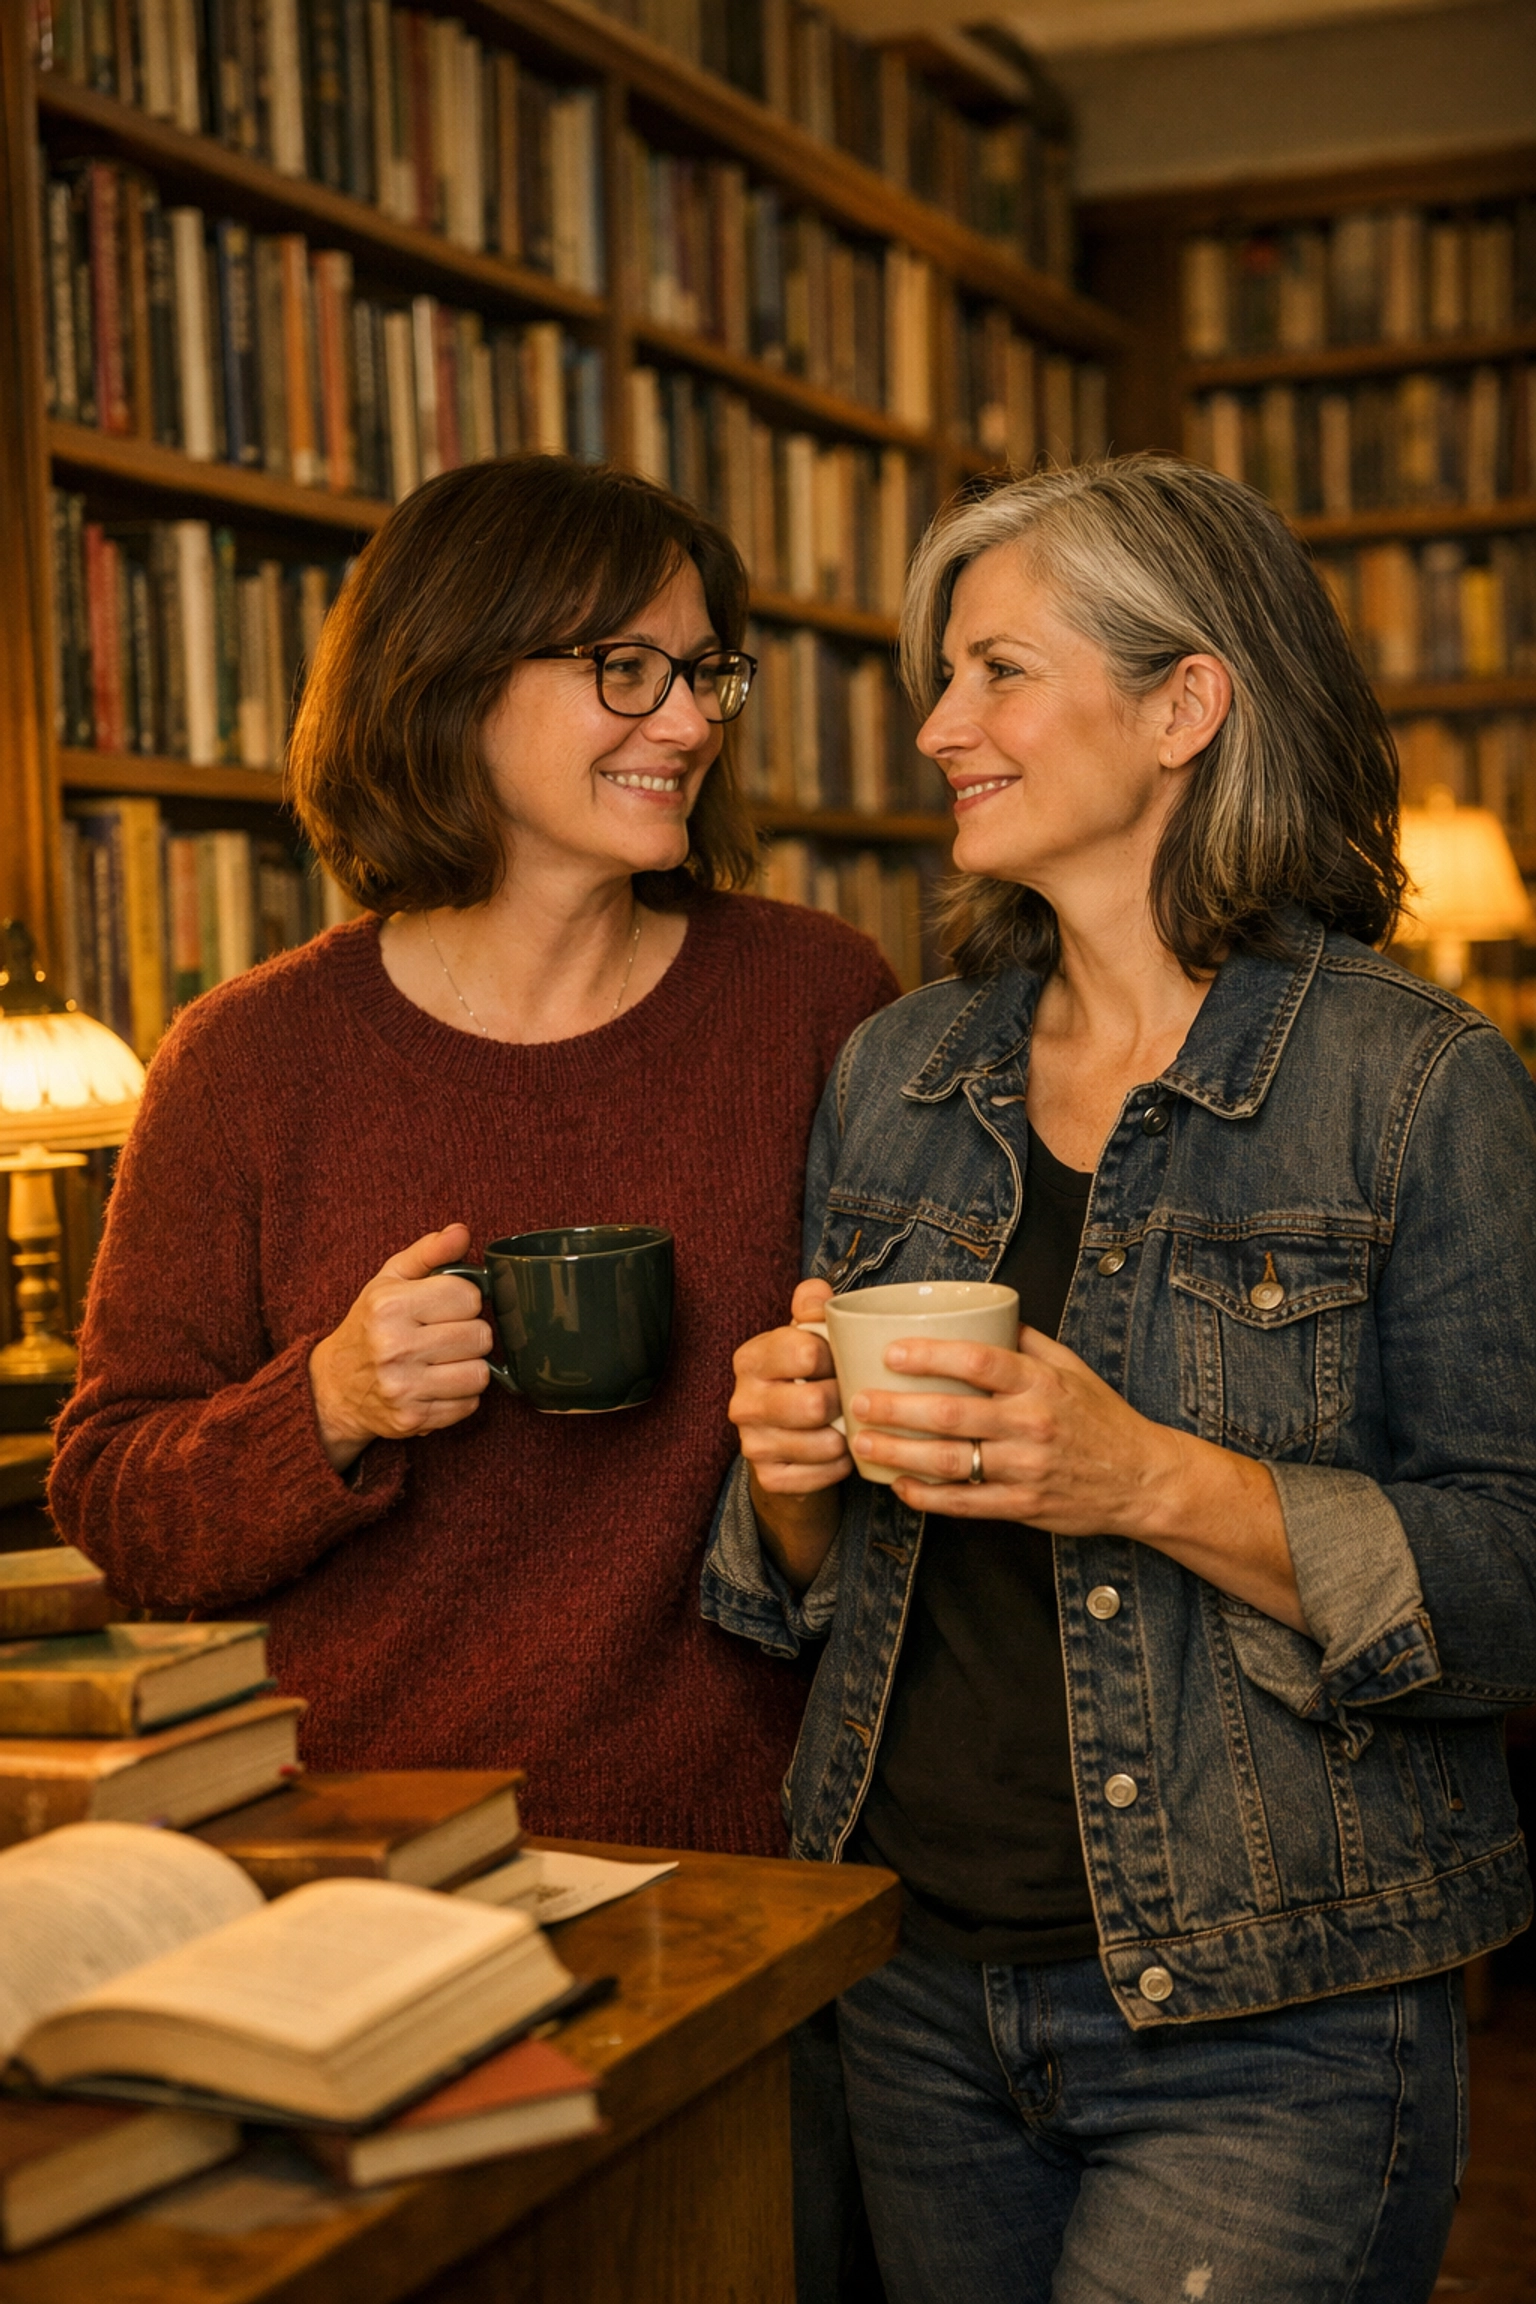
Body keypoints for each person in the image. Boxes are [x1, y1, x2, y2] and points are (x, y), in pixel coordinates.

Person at [707, 455, 1536, 2300]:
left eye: (997, 671)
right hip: (914, 1988)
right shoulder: (897, 1073)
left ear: (1187, 703)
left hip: (1278, 2015)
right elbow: (794, 1592)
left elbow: (1513, 1588)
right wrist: (787, 1472)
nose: (939, 728)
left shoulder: (1414, 1088)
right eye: (946, 679)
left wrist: (1143, 1474)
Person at [50, 455, 897, 1855]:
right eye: (627, 667)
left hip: (757, 1856)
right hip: (374, 1866)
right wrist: (323, 1401)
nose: (687, 721)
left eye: (705, 673)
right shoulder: (249, 1060)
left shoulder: (812, 1000)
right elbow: (117, 1513)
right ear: (449, 677)